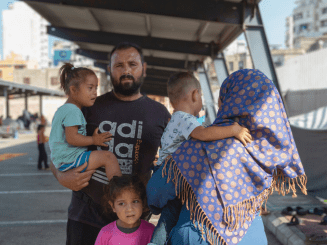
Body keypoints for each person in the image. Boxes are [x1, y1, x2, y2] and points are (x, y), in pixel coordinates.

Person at [147, 68, 307, 245]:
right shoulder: (266, 154)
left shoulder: (196, 147)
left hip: (198, 238)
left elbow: (155, 193)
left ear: (227, 102)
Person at [49, 42, 170, 245]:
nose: (126, 71)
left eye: (132, 64)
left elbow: (173, 161)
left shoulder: (159, 114)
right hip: (85, 216)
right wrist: (60, 175)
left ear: (144, 68)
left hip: (133, 222)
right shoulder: (88, 106)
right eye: (119, 65)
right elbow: (56, 147)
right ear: (109, 69)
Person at [150, 72, 253, 244]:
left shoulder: (177, 118)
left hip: (167, 173)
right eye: (201, 96)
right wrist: (234, 130)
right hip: (169, 176)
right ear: (194, 94)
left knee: (171, 216)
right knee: (169, 217)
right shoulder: (184, 118)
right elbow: (204, 134)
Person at [49, 63, 122, 181]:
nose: (95, 92)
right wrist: (94, 140)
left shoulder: (63, 109)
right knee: (108, 157)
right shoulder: (73, 111)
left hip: (61, 160)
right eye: (90, 88)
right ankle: (120, 191)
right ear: (73, 90)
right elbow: (72, 138)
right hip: (71, 159)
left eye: (96, 88)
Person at [95, 175, 155, 245]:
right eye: (121, 203)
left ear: (142, 203)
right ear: (113, 206)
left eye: (135, 201)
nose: (129, 209)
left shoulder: (151, 231)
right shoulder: (105, 233)